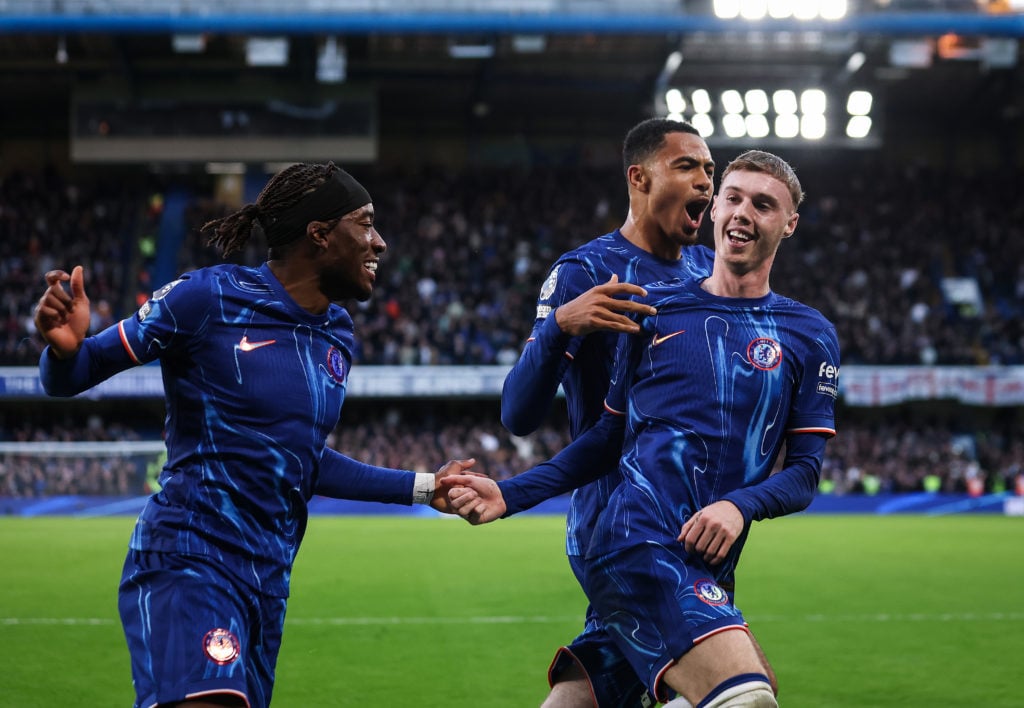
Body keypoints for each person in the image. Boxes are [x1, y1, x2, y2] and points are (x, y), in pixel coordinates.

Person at [33, 162, 476, 708]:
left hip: (267, 582)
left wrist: (423, 487)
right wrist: (62, 348)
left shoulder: (337, 332)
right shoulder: (207, 298)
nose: (380, 242)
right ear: (319, 234)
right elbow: (74, 375)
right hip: (190, 558)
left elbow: (300, 459)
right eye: (365, 224)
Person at [445, 150, 840, 708]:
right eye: (732, 197)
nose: (742, 213)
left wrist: (740, 506)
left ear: (789, 223)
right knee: (746, 697)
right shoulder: (653, 314)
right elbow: (607, 441)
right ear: (717, 206)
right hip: (636, 541)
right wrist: (511, 493)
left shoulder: (810, 333)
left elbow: (804, 474)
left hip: (706, 562)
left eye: (764, 204)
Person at [499, 117, 717, 708]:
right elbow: (518, 413)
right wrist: (559, 327)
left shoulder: (707, 274)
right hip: (622, 523)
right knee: (730, 689)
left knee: (602, 685)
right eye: (688, 166)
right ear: (639, 178)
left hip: (692, 526)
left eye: (710, 171)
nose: (705, 182)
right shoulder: (586, 272)